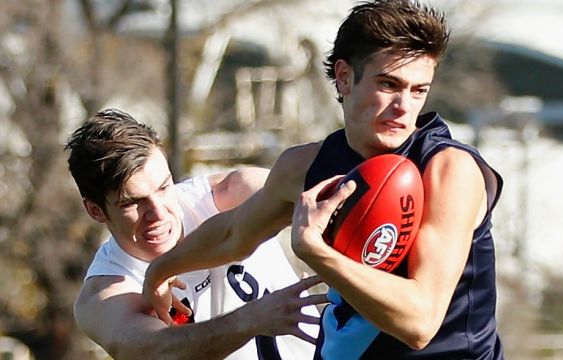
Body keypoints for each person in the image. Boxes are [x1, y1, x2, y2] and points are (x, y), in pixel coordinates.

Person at [144, 0, 505, 359]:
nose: (404, 106)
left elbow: (420, 322)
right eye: (389, 84)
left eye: (418, 90)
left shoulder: (447, 170)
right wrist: (160, 271)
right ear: (345, 77)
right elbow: (234, 233)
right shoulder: (305, 167)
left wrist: (314, 251)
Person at [66, 108, 325, 360]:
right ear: (96, 211)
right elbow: (157, 352)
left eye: (164, 187)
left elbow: (334, 189)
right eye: (132, 202)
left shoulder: (233, 195)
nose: (158, 212)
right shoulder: (106, 293)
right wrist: (252, 319)